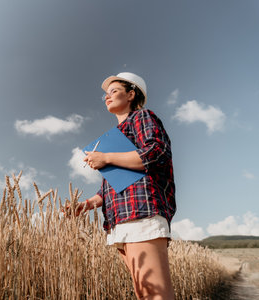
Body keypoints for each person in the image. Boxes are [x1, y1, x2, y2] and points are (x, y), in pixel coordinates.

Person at [67, 72, 176, 299]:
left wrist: (106, 158)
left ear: (131, 94)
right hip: (121, 219)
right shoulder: (117, 136)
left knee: (155, 294)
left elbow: (156, 153)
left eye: (114, 91)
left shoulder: (142, 117)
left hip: (141, 212)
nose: (107, 97)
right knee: (144, 293)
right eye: (106, 94)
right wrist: (86, 204)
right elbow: (113, 186)